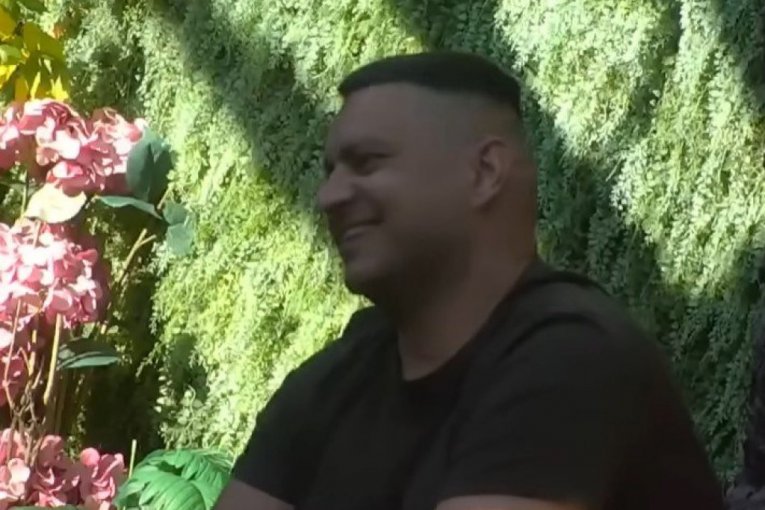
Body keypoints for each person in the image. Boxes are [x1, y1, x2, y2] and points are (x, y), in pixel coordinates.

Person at [214, 51, 724, 510]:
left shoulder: (571, 357)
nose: (329, 196)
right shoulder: (339, 376)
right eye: (330, 171)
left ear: (484, 172)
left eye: (367, 163)